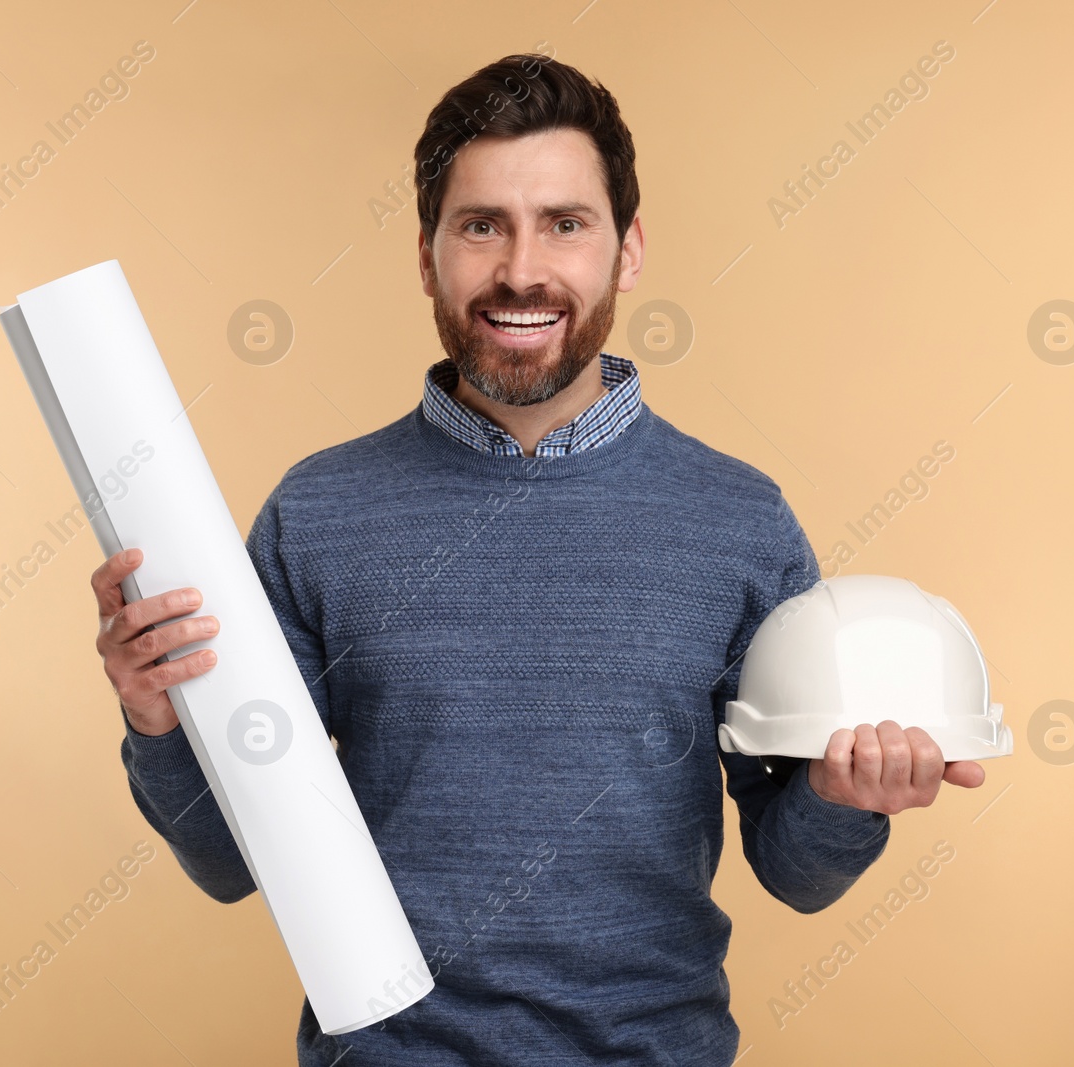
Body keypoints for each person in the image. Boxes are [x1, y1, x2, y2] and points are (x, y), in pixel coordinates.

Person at [91, 52, 985, 1066]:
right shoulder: (317, 514)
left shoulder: (740, 521)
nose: (521, 269)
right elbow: (226, 860)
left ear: (628, 249)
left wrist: (845, 796)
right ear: (427, 255)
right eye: (482, 225)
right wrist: (155, 719)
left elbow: (795, 873)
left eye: (564, 222)